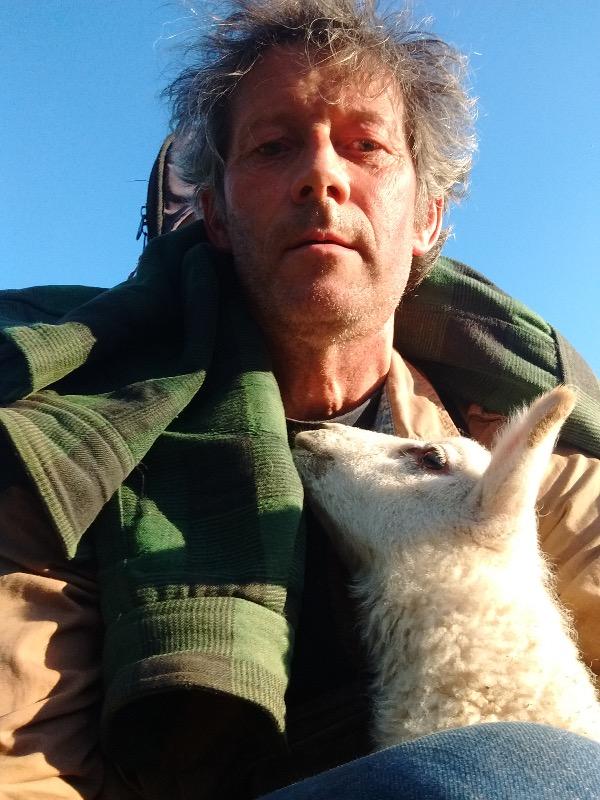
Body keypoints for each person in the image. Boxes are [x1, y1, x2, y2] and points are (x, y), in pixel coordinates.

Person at [0, 1, 599, 799]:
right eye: (273, 147)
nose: (322, 176)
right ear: (214, 217)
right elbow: (24, 760)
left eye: (366, 146)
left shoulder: (509, 464)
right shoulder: (74, 453)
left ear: (427, 217)